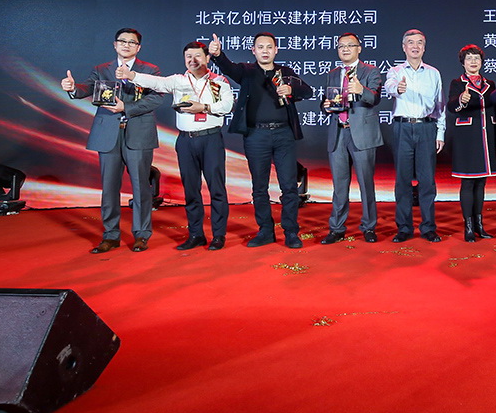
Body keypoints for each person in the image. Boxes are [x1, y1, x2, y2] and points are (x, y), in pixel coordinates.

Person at [120, 41, 234, 251]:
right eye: (188, 57)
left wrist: (203, 107)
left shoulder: (219, 81)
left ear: (207, 58)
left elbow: (227, 106)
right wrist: (132, 75)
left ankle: (219, 235)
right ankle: (196, 234)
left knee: (217, 188)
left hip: (211, 139)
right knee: (191, 189)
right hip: (185, 141)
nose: (193, 60)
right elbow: (156, 82)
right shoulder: (178, 81)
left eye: (197, 56)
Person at [60, 28, 165, 253]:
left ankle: (141, 234)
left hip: (138, 133)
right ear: (115, 45)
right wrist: (72, 88)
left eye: (131, 42)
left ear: (138, 47)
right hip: (108, 133)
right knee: (109, 187)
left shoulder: (150, 70)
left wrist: (126, 107)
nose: (126, 45)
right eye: (122, 41)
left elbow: (156, 98)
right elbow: (87, 88)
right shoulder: (101, 69)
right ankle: (110, 235)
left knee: (141, 186)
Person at [209, 32, 312, 249]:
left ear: (276, 50)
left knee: (289, 187)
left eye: (269, 47)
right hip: (256, 135)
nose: (265, 51)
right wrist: (218, 55)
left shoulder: (285, 72)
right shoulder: (246, 71)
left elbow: (308, 91)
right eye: (260, 47)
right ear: (253, 51)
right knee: (259, 187)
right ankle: (265, 231)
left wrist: (292, 89)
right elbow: (228, 68)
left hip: (283, 135)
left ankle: (291, 232)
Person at [319, 33, 383, 245]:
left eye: (350, 45)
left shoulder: (370, 71)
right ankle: (337, 228)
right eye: (341, 46)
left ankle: (369, 227)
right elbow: (327, 99)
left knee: (366, 184)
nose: (345, 49)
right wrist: (325, 106)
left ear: (359, 48)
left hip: (362, 135)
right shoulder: (333, 74)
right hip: (338, 133)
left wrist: (361, 90)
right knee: (339, 185)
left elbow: (375, 98)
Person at [383, 29, 446, 243]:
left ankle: (428, 227)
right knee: (403, 180)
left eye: (419, 43)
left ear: (424, 48)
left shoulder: (433, 73)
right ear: (404, 47)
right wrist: (398, 89)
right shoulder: (395, 71)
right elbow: (390, 87)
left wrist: (440, 132)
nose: (415, 46)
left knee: (427, 181)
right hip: (403, 128)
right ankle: (404, 227)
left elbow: (440, 105)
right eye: (411, 43)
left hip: (426, 128)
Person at [447, 45, 496, 242]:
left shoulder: (490, 84)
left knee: (481, 182)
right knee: (468, 181)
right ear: (463, 63)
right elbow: (451, 106)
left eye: (476, 58)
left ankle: (479, 224)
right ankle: (468, 226)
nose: (473, 61)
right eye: (469, 58)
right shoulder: (457, 83)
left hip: (486, 138)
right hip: (467, 139)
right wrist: (461, 99)